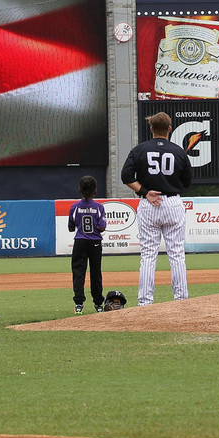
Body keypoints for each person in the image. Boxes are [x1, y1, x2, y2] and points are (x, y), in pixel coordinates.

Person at [121, 111, 193, 305]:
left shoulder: (140, 149)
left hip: (149, 202)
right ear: (169, 129)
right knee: (177, 253)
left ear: (151, 128)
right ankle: (181, 300)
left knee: (148, 255)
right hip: (172, 202)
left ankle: (145, 302)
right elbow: (187, 182)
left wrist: (144, 191)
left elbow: (126, 176)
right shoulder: (179, 151)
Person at [68, 175, 107, 313]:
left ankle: (79, 304)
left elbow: (71, 228)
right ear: (94, 191)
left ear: (80, 189)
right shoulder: (98, 208)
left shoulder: (75, 207)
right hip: (95, 242)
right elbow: (102, 227)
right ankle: (98, 304)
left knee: (79, 272)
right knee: (96, 273)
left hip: (80, 242)